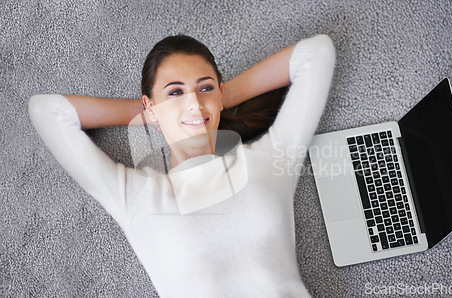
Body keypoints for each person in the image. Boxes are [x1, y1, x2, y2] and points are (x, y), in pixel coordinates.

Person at [29, 33, 335, 297]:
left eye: (205, 88)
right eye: (175, 92)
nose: (193, 103)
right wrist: (150, 113)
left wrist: (218, 98)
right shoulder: (136, 196)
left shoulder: (267, 160)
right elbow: (46, 110)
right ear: (151, 106)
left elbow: (317, 52)